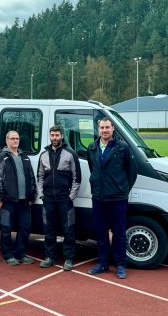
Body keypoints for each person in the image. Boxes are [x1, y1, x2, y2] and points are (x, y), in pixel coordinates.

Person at [86, 117, 136, 279]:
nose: (104, 130)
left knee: (119, 233)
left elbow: (131, 172)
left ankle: (120, 265)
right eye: (102, 128)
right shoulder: (92, 147)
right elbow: (93, 168)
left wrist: (123, 189)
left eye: (107, 127)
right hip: (98, 197)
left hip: (117, 198)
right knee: (100, 233)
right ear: (98, 129)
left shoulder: (122, 148)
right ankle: (102, 263)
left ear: (113, 129)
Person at [37, 125, 82, 271]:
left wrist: (71, 197)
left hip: (64, 199)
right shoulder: (43, 155)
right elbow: (40, 176)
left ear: (62, 136)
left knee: (68, 228)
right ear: (49, 136)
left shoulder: (70, 154)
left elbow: (77, 178)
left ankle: (68, 258)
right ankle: (50, 257)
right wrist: (42, 194)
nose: (55, 138)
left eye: (57, 135)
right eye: (52, 135)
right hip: (48, 198)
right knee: (48, 229)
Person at [0, 130, 37, 265]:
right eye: (12, 139)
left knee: (25, 228)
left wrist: (32, 196)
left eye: (17, 138)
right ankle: (7, 255)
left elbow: (31, 177)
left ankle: (21, 254)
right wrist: (0, 198)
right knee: (6, 229)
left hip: (24, 202)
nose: (15, 141)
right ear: (7, 141)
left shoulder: (25, 157)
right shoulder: (1, 158)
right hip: (8, 201)